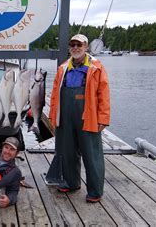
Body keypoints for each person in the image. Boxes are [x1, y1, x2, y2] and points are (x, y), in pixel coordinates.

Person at [48, 34, 110, 203]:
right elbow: (54, 95)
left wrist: (103, 118)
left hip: (88, 115)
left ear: (86, 47)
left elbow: (103, 94)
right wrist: (53, 116)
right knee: (66, 150)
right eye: (72, 45)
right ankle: (71, 182)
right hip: (65, 114)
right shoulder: (63, 68)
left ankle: (95, 190)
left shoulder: (96, 67)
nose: (75, 48)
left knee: (92, 154)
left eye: (79, 45)